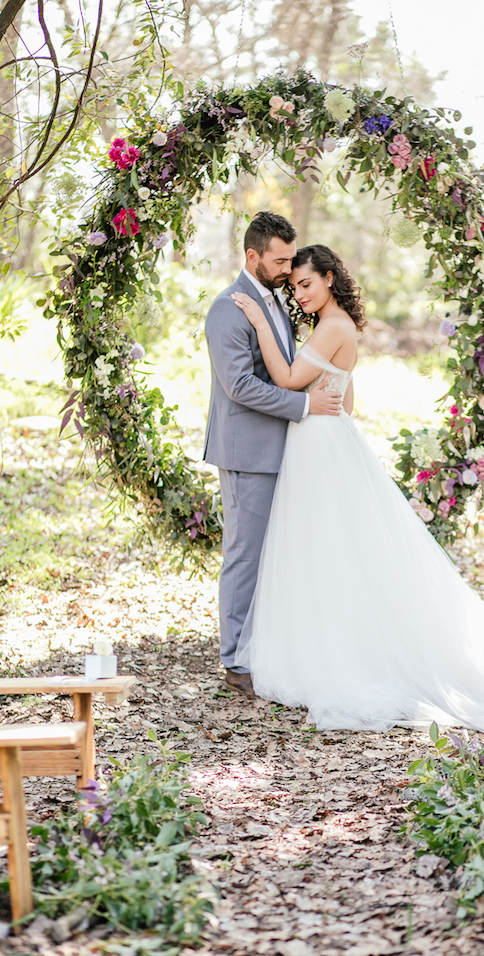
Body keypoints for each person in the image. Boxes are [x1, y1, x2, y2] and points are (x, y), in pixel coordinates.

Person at [230, 243, 484, 732]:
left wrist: (257, 320)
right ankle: (327, 636)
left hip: (319, 439)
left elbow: (288, 377)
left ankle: (338, 648)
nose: (300, 293)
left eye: (307, 284)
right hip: (322, 437)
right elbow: (346, 397)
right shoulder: (333, 327)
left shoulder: (333, 326)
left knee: (329, 542)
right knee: (328, 544)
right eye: (295, 287)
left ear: (330, 278)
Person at [203, 213, 343, 697]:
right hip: (247, 450)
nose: (287, 269)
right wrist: (306, 405)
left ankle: (263, 648)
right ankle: (236, 660)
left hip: (282, 449)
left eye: (291, 260)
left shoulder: (276, 303)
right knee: (245, 554)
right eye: (280, 260)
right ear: (253, 256)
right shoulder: (227, 309)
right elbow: (239, 385)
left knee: (273, 555)